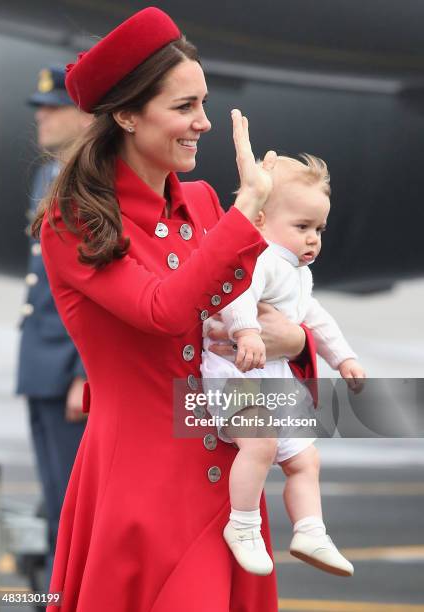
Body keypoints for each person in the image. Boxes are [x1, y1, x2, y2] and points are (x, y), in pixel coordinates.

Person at [32, 8, 315, 611]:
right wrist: (246, 212)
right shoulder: (75, 219)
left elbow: (270, 320)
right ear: (128, 115)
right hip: (145, 491)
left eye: (204, 103)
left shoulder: (204, 205)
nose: (204, 123)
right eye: (185, 107)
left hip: (232, 494)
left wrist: (295, 342)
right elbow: (161, 310)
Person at [201, 154, 366, 578]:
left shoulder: (296, 272)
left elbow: (315, 318)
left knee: (306, 459)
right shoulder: (259, 258)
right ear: (258, 219)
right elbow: (236, 292)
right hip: (233, 375)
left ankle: (310, 530)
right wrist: (247, 331)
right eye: (302, 227)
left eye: (319, 230)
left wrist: (343, 356)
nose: (313, 240)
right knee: (262, 444)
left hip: (269, 378)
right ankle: (242, 525)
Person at [17, 65, 92, 585]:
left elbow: (95, 287)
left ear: (87, 113)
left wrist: (88, 372)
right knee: (52, 491)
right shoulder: (50, 175)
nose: (41, 114)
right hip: (41, 361)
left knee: (73, 501)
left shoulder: (93, 180)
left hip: (72, 372)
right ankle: (51, 594)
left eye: (53, 105)